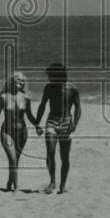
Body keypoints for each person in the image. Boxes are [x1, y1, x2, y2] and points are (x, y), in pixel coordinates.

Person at [0, 72, 38, 192]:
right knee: (13, 159)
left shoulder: (26, 98)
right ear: (12, 81)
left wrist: (37, 126)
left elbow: (29, 115)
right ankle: (16, 186)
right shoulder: (3, 97)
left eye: (23, 81)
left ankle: (10, 181)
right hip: (7, 132)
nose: (22, 83)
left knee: (15, 160)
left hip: (22, 132)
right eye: (19, 80)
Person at [35, 62, 81, 195]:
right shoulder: (49, 88)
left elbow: (78, 107)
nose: (48, 78)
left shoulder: (72, 89)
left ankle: (63, 185)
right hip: (51, 122)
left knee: (64, 156)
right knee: (50, 152)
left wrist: (75, 123)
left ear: (58, 75)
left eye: (50, 75)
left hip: (66, 123)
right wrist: (37, 123)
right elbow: (43, 105)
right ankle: (52, 182)